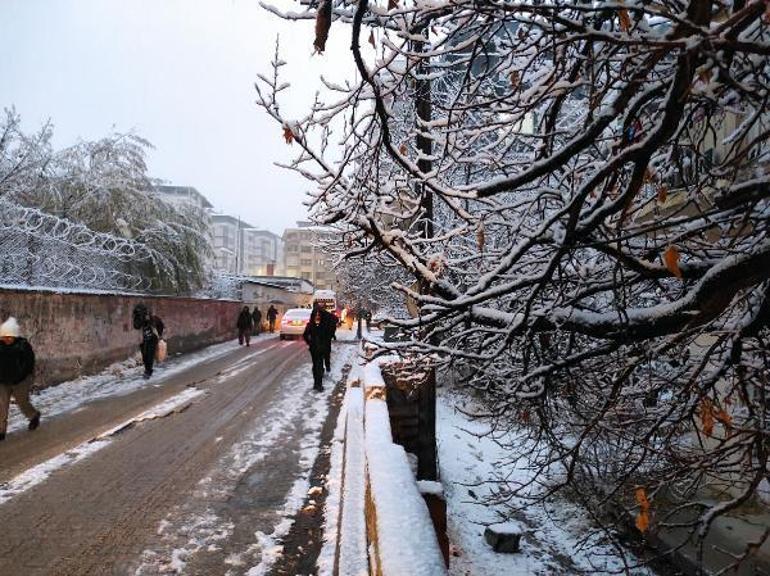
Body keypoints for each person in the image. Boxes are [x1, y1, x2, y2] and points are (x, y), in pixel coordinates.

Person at [0, 317, 41, 441]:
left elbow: (29, 363)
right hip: (2, 381)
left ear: (15, 336)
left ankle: (33, 415)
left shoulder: (23, 345)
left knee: (22, 402)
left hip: (21, 380)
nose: (7, 339)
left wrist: (23, 376)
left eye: (10, 336)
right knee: (1, 406)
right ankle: (1, 431)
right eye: (4, 336)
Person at [303, 305, 333, 392]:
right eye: (315, 315)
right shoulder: (310, 325)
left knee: (318, 365)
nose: (317, 316)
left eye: (319, 315)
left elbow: (329, 335)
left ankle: (318, 384)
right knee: (316, 365)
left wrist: (325, 343)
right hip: (314, 349)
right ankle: (316, 383)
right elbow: (305, 335)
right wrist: (310, 343)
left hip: (322, 348)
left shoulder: (325, 325)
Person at [135, 305, 164, 379]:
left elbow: (161, 325)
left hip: (152, 339)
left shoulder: (154, 319)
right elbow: (136, 326)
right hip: (144, 340)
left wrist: (159, 335)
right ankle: (147, 370)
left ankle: (148, 371)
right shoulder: (140, 319)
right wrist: (138, 317)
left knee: (150, 355)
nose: (145, 315)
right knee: (145, 356)